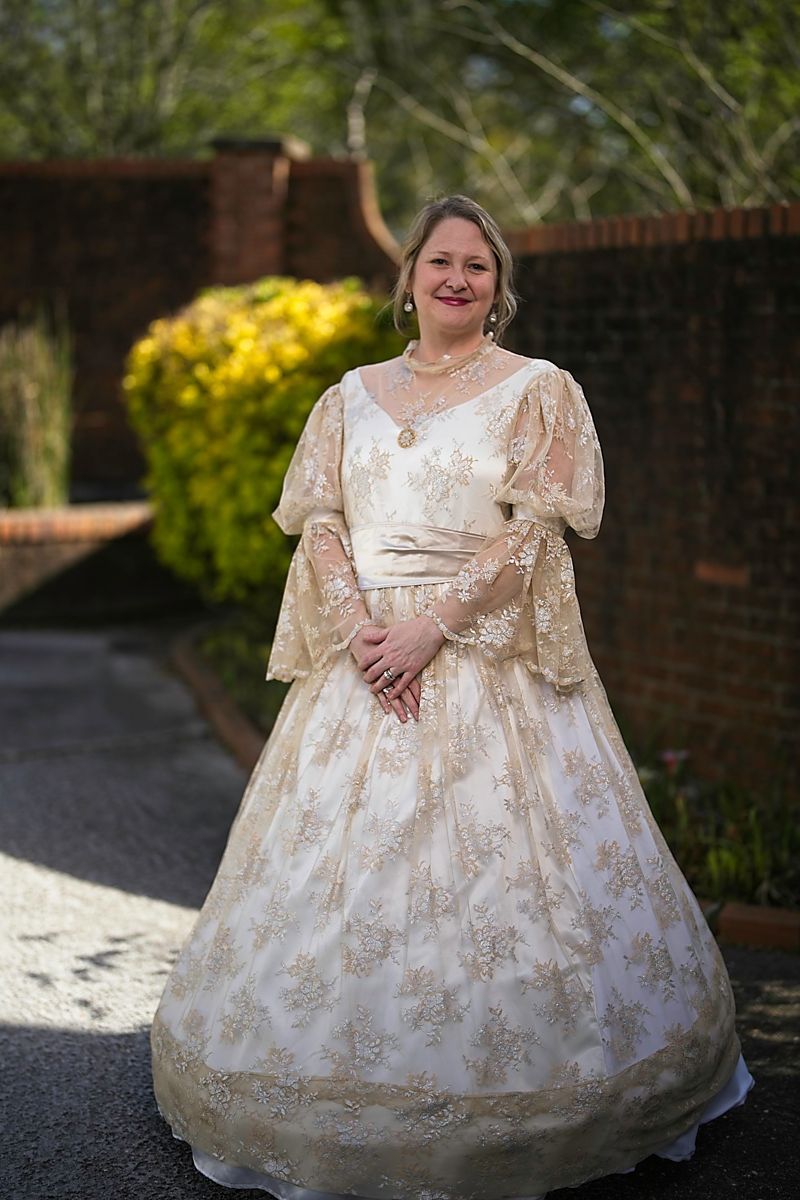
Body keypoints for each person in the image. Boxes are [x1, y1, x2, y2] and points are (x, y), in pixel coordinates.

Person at [150, 195, 753, 1199]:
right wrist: (360, 634)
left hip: (482, 664)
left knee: (515, 888)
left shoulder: (537, 391)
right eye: (440, 262)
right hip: (366, 658)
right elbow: (322, 528)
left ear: (498, 285)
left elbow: (532, 533)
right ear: (410, 278)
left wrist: (431, 630)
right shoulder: (347, 396)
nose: (457, 280)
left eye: (477, 266)